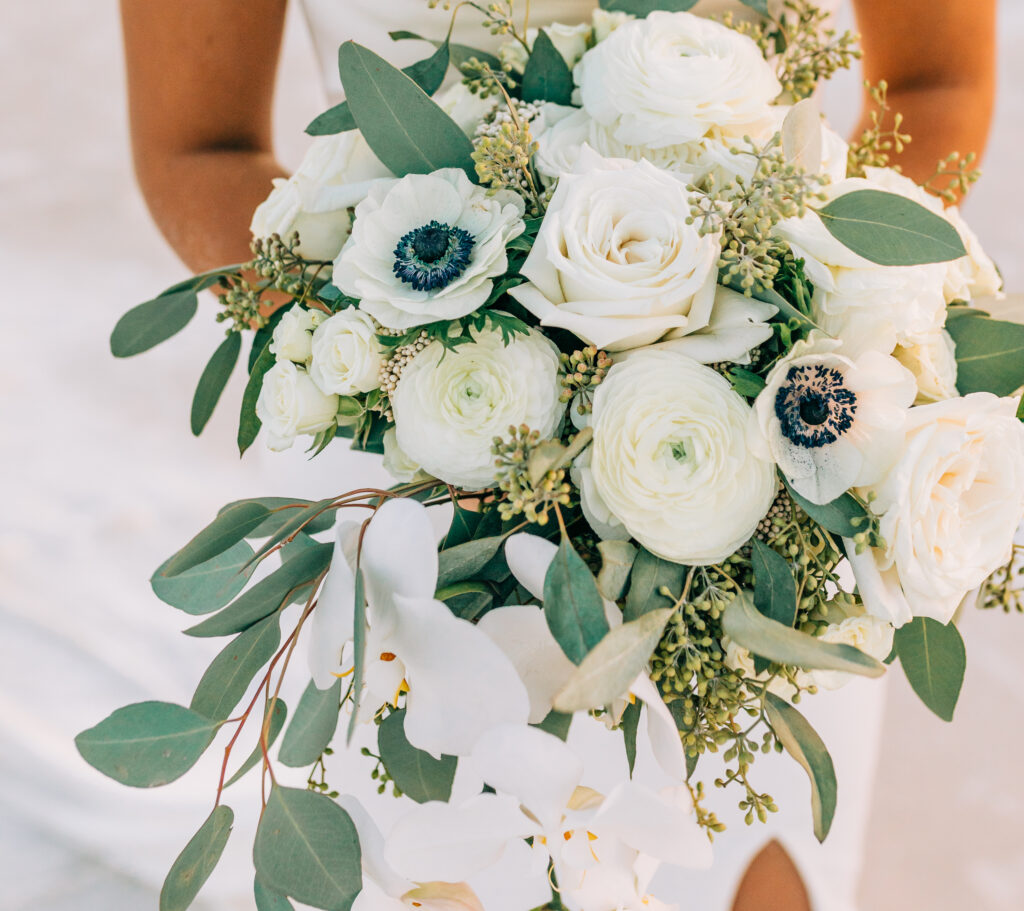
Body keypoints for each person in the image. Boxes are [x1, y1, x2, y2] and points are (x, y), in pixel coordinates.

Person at [118, 1, 998, 909]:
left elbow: (937, 80)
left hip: (764, 460)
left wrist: (809, 293)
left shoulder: (786, 406)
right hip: (411, 456)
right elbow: (201, 146)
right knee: (442, 858)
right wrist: (381, 351)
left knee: (737, 867)